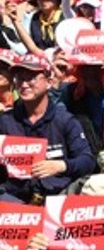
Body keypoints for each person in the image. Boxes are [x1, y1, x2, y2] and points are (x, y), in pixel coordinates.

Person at [0, 54, 94, 202]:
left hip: (58, 197)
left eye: (31, 78)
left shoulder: (65, 120)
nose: (24, 84)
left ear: (49, 82)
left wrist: (61, 166)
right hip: (14, 198)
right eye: (20, 78)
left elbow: (87, 161)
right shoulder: (5, 121)